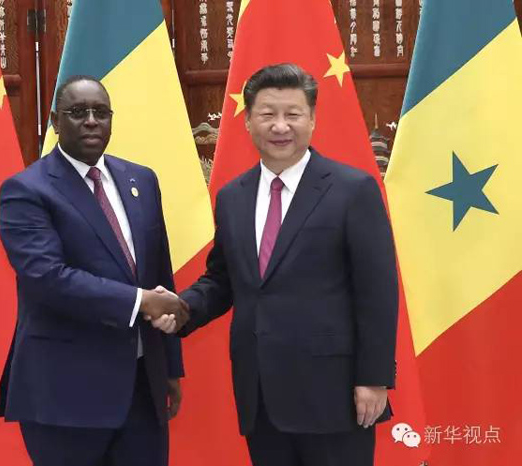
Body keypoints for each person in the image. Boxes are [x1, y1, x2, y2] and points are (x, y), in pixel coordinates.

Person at [157, 63, 398, 466]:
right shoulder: (233, 196)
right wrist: (181, 308)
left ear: (312, 119)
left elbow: (377, 292)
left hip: (334, 394)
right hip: (261, 394)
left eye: (293, 114)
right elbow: (223, 279)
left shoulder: (352, 190)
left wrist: (373, 378)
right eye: (268, 114)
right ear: (248, 121)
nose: (280, 126)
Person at [0, 75, 188, 466]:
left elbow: (159, 277)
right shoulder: (27, 190)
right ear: (55, 121)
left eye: (101, 112)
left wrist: (169, 366)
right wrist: (139, 302)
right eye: (77, 112)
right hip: (65, 393)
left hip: (141, 387)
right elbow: (48, 278)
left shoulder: (141, 179)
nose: (90, 121)